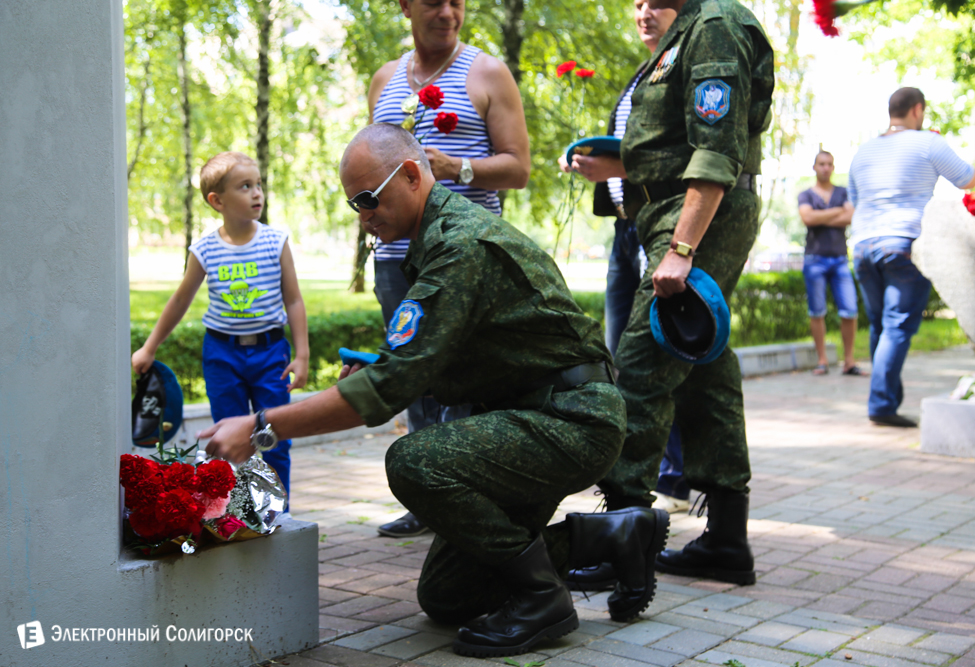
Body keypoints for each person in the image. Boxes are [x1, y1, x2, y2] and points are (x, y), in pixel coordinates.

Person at [201, 124, 670, 656]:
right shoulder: (434, 242)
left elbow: (388, 392)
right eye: (353, 204)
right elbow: (424, 364)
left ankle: (543, 598)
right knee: (447, 596)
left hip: (571, 419)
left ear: (408, 175)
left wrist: (263, 426)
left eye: (368, 199)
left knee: (414, 461)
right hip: (533, 417)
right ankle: (613, 537)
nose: (363, 216)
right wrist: (385, 369)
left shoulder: (459, 245)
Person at [593, 0, 775, 586]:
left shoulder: (716, 25)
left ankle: (619, 540)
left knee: (643, 362)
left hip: (697, 217)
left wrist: (683, 247)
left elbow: (717, 147)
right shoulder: (691, 29)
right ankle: (726, 537)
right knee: (704, 366)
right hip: (672, 216)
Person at [367, 0, 531, 538]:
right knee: (412, 373)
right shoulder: (386, 79)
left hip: (462, 256)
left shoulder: (487, 71)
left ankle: (467, 492)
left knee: (464, 376)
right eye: (434, 1)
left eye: (457, 2)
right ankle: (426, 495)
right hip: (396, 258)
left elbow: (518, 168)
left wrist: (455, 166)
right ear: (405, 6)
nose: (447, 12)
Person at [558, 0, 690, 519]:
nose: (644, 12)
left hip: (659, 228)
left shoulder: (680, 66)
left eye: (656, 3)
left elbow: (676, 157)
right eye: (636, 3)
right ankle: (635, 476)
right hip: (623, 231)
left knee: (656, 353)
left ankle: (672, 478)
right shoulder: (645, 72)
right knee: (621, 355)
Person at [132, 151, 309, 497]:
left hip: (270, 352)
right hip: (221, 355)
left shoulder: (276, 242)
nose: (257, 193)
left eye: (258, 185)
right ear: (217, 201)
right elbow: (180, 300)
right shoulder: (205, 250)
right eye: (245, 186)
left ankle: (277, 513)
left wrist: (301, 354)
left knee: (272, 436)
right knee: (226, 438)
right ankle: (231, 510)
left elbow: (294, 299)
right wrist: (149, 347)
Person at [848, 87, 975, 427]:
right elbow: (967, 179)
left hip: (862, 244)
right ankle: (881, 405)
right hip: (904, 240)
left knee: (880, 325)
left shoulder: (864, 151)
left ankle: (885, 398)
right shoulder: (927, 142)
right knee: (897, 325)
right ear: (917, 110)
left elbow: (854, 199)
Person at [797, 150, 861, 376]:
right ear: (814, 167)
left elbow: (851, 217)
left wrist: (820, 216)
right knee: (817, 311)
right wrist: (836, 212)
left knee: (850, 310)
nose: (826, 168)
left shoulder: (843, 192)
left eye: (830, 164)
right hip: (814, 259)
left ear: (833, 168)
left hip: (840, 260)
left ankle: (849, 362)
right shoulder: (805, 195)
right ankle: (822, 361)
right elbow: (807, 218)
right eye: (822, 164)